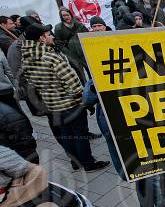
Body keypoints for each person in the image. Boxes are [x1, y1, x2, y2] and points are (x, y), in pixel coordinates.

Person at [20, 23, 109, 172]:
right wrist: (86, 101)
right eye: (49, 34)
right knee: (80, 134)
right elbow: (73, 85)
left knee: (66, 134)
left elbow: (32, 82)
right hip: (70, 104)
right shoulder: (52, 57)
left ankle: (75, 162)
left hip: (52, 104)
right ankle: (88, 164)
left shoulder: (26, 59)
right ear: (41, 38)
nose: (52, 36)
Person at [54, 7, 89, 83]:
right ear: (61, 17)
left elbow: (87, 37)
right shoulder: (58, 28)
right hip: (71, 55)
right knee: (80, 75)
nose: (66, 17)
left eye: (67, 14)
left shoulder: (79, 25)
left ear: (70, 14)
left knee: (90, 72)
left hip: (84, 53)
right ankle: (85, 90)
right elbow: (58, 43)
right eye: (64, 15)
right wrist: (67, 52)